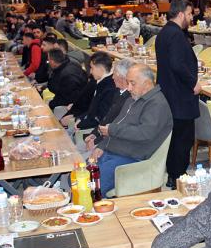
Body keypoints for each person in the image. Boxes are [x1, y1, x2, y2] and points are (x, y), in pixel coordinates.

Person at [92, 64, 173, 196]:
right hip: (114, 152)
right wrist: (102, 145)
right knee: (78, 177)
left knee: (91, 187)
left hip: (132, 158)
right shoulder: (132, 100)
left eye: (132, 83)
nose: (128, 88)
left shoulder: (157, 104)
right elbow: (116, 124)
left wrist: (112, 130)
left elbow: (144, 133)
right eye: (128, 82)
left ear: (147, 84)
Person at [155, 0, 200, 187]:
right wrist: (193, 83)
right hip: (180, 95)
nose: (191, 18)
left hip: (169, 93)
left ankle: (173, 175)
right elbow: (177, 64)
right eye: (189, 14)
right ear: (181, 14)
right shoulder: (176, 35)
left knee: (174, 139)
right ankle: (178, 176)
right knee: (183, 139)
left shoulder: (164, 32)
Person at [84, 58, 133, 154]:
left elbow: (116, 125)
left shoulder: (129, 98)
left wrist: (96, 141)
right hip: (101, 137)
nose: (112, 77)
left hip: (109, 144)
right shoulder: (118, 92)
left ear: (122, 77)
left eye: (114, 74)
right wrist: (94, 133)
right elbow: (106, 118)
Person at [74, 51, 117, 132]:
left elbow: (101, 117)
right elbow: (92, 109)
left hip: (96, 130)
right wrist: (80, 118)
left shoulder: (110, 89)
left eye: (92, 68)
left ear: (101, 69)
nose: (90, 71)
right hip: (88, 122)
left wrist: (81, 124)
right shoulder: (101, 82)